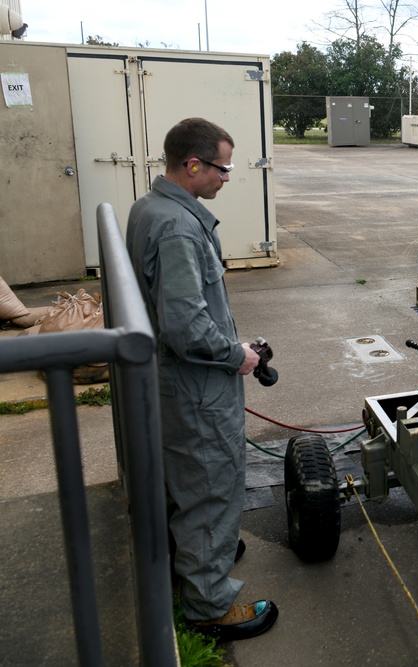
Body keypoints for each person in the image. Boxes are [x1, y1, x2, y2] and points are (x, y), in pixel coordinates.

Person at [126, 117, 278, 642]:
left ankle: (199, 555)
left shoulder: (152, 207)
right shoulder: (176, 225)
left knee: (190, 483)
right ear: (193, 165)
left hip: (174, 378)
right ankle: (210, 604)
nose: (227, 177)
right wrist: (234, 354)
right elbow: (187, 325)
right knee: (211, 486)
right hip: (195, 386)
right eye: (222, 167)